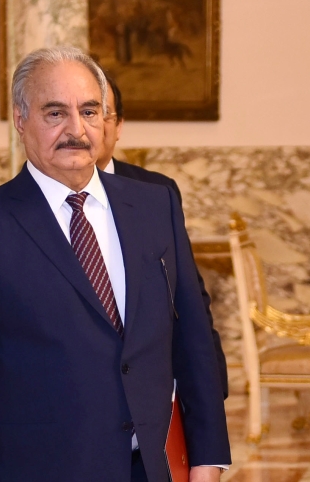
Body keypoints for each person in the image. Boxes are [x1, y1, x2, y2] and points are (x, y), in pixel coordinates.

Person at [0, 46, 230, 482]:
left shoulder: (155, 206)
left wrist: (208, 459)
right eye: (55, 113)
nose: (76, 129)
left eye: (89, 111)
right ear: (20, 119)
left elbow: (194, 341)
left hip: (151, 470)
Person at [96, 75, 229, 399]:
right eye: (83, 112)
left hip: (151, 384)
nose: (90, 125)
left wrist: (210, 383)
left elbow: (188, 294)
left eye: (101, 113)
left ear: (119, 125)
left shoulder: (157, 192)